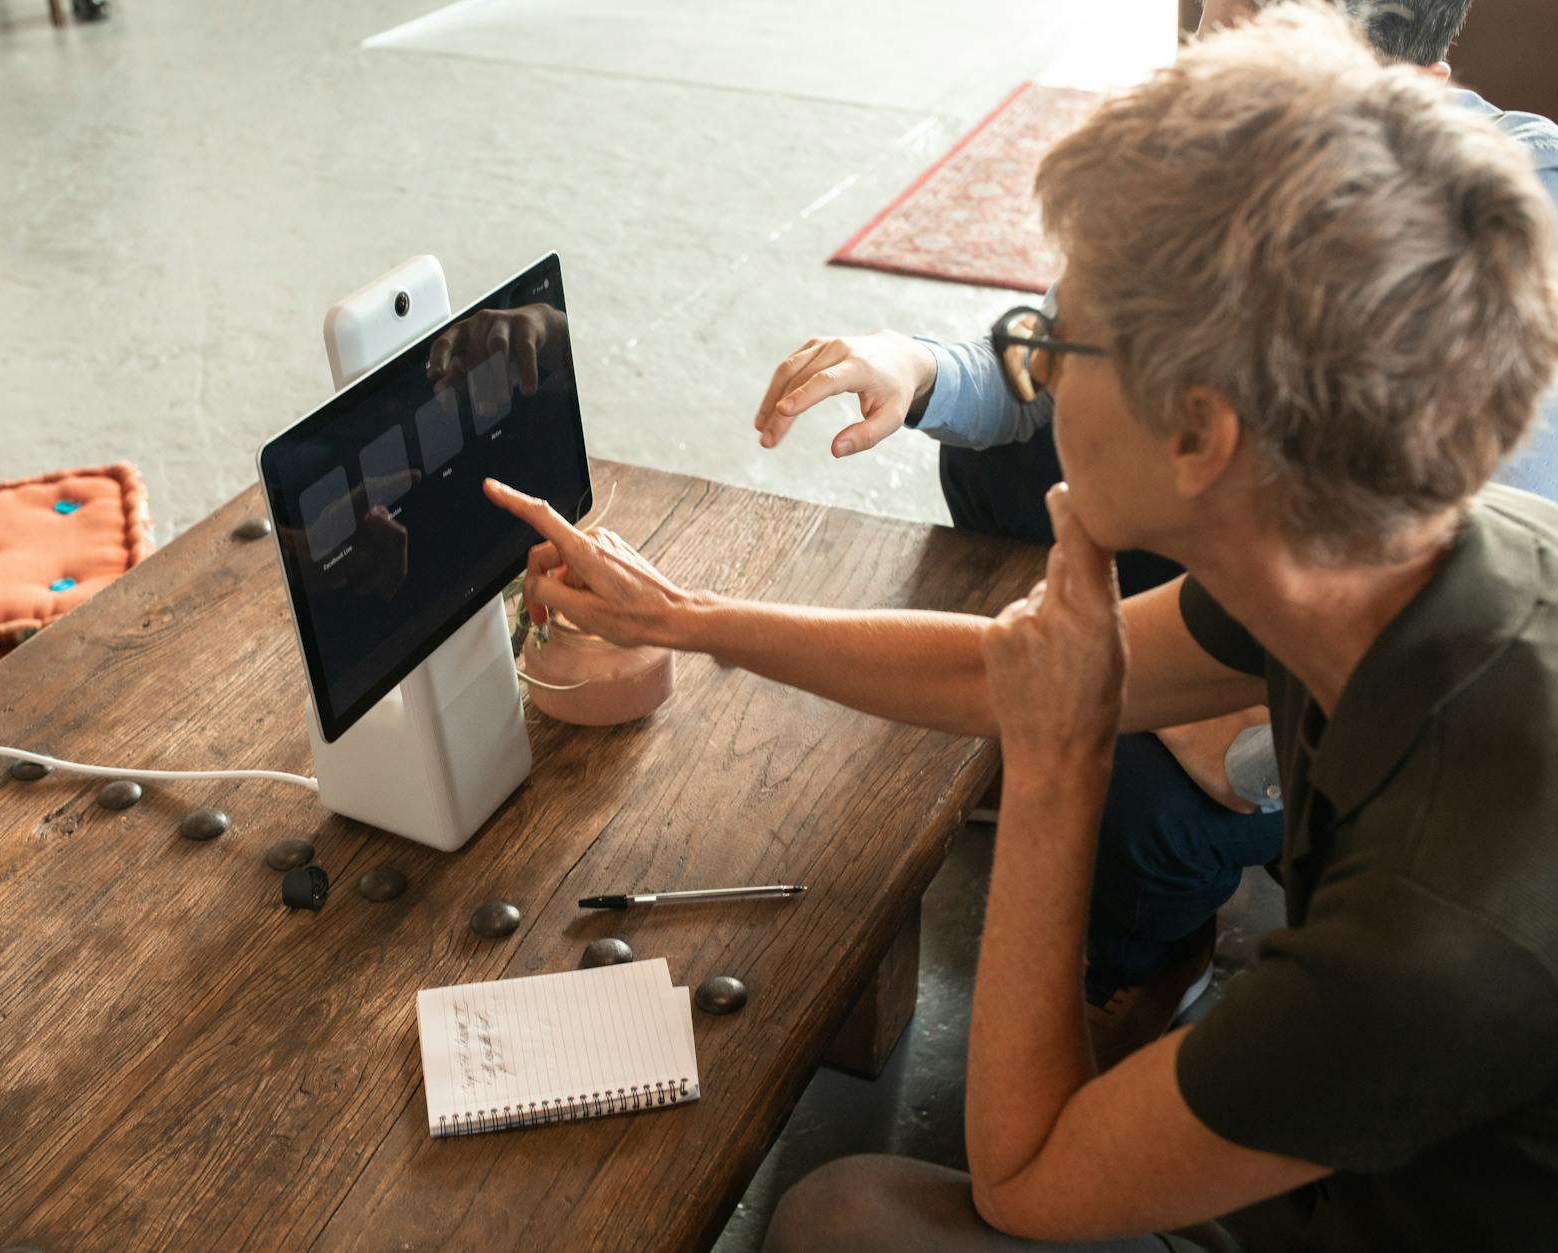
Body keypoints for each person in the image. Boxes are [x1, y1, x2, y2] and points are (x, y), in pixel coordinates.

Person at [484, 4, 1558, 1247]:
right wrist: (693, 617)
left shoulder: (1433, 941)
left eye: (1056, 339)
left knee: (848, 1215)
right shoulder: (1397, 541)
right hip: (1381, 1133)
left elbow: (1022, 1181)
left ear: (1201, 432)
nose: (1033, 367)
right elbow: (997, 673)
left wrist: (1055, 768)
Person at [749, 0, 1558, 1069]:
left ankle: (1143, 954)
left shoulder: (1416, 936)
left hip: (1367, 680)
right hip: (1322, 590)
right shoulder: (1250, 173)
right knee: (994, 459)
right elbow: (1029, 371)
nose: (1209, 82)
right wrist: (920, 365)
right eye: (1206, 34)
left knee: (1148, 787)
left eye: (1259, 56)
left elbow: (1025, 1185)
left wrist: (1168, 745)